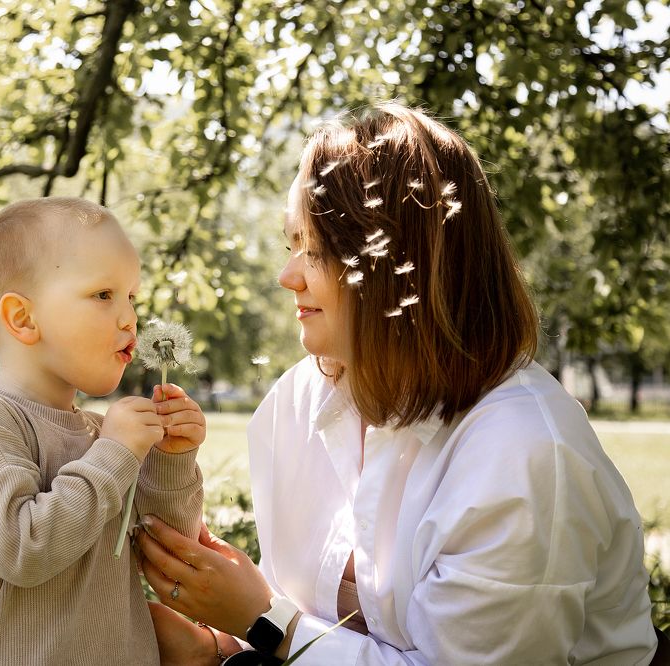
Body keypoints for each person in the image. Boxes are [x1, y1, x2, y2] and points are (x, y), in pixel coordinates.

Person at [136, 104, 659, 665]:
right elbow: (302, 618)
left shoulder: (524, 453)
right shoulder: (294, 403)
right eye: (291, 245)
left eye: (316, 250)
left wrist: (261, 620)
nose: (288, 277)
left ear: (396, 265)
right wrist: (217, 647)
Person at [0, 197, 206, 665]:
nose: (130, 318)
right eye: (103, 295)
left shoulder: (105, 437)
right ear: (23, 318)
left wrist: (173, 460)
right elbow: (24, 551)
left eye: (132, 297)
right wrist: (115, 455)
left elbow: (166, 551)